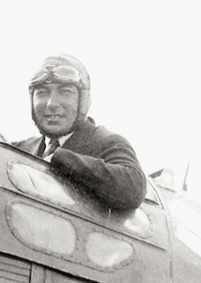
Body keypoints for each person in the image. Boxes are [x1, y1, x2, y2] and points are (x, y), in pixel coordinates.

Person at [14, 54, 147, 211]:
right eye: (42, 93)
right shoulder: (22, 149)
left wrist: (60, 159)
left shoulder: (107, 142)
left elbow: (133, 187)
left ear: (82, 100)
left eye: (65, 92)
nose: (51, 103)